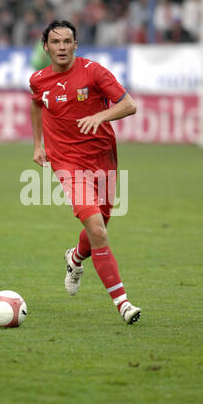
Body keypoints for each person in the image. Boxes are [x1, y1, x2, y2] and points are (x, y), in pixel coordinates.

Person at [29, 20, 141, 324]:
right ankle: (123, 304)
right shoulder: (38, 79)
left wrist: (100, 115)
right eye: (56, 42)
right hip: (66, 162)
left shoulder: (94, 72)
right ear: (46, 47)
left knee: (100, 226)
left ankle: (75, 258)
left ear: (75, 45)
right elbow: (37, 105)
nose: (62, 47)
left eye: (67, 42)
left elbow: (129, 105)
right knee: (98, 230)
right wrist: (38, 144)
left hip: (103, 159)